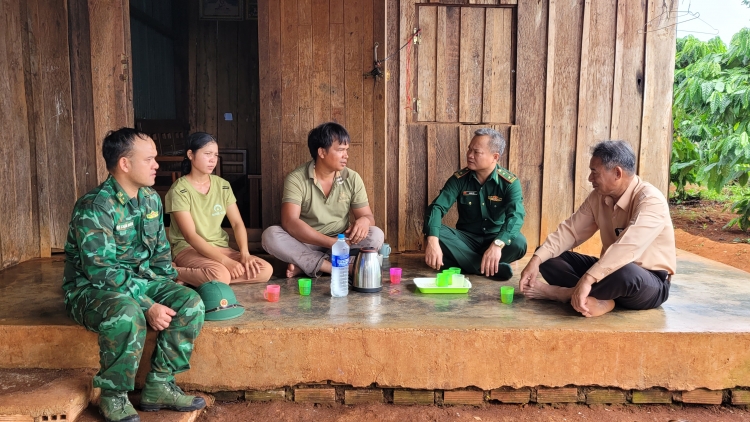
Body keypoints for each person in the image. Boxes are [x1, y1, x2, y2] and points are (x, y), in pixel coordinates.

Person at [62, 128, 205, 422]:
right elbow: (101, 272)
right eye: (149, 159)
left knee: (190, 302)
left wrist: (167, 285)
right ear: (125, 164)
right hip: (90, 291)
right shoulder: (95, 206)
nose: (157, 165)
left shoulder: (151, 199)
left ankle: (159, 385)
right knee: (128, 312)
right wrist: (147, 305)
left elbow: (161, 253)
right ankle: (113, 396)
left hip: (142, 281)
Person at [519, 140, 675, 317]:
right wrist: (535, 261)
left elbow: (627, 247)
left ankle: (563, 294)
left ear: (617, 173)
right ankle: (599, 298)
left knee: (625, 271)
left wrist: (589, 278)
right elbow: (571, 231)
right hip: (608, 275)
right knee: (547, 255)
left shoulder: (651, 200)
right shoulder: (598, 197)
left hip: (647, 283)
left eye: (594, 172)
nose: (589, 178)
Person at [262, 122, 384, 277]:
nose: (346, 155)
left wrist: (365, 221)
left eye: (346, 150)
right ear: (321, 152)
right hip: (306, 243)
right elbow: (289, 222)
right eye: (340, 150)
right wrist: (331, 243)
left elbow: (367, 216)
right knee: (270, 235)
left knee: (376, 234)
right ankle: (336, 268)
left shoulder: (352, 178)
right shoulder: (296, 179)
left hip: (343, 239)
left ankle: (309, 265)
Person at [165, 132, 272, 286]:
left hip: (220, 247)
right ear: (190, 154)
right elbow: (190, 236)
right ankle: (173, 271)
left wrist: (245, 254)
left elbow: (237, 223)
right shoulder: (179, 190)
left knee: (264, 269)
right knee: (220, 275)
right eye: (207, 154)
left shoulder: (222, 185)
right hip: (189, 249)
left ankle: (196, 277)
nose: (212, 160)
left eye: (215, 155)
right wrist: (226, 262)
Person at [423, 128, 527, 280]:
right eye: (469, 149)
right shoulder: (459, 179)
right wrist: (432, 241)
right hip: (465, 240)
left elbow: (516, 217)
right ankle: (488, 268)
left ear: (495, 157)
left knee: (519, 242)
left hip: (494, 237)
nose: (469, 155)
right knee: (435, 232)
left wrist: (498, 244)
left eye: (476, 152)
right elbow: (437, 208)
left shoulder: (509, 183)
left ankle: (463, 263)